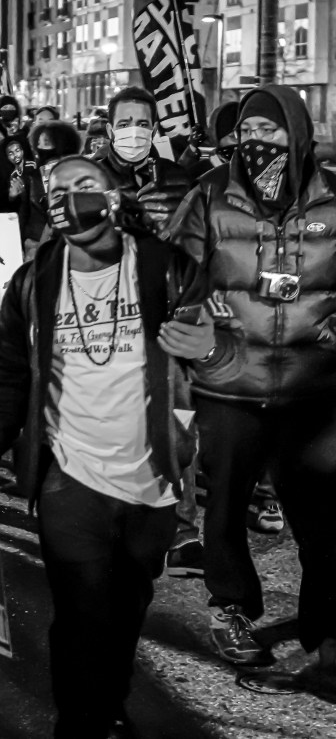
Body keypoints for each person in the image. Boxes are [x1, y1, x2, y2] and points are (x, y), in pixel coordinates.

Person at [0, 155, 238, 737]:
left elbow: (220, 362)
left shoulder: (167, 268)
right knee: (80, 609)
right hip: (69, 474)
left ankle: (112, 704)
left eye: (85, 185)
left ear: (114, 197)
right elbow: (10, 372)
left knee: (127, 605)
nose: (69, 198)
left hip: (152, 476)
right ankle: (78, 721)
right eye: (56, 189)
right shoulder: (33, 280)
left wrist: (210, 351)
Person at [165, 85, 336, 673]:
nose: (258, 142)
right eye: (249, 132)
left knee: (323, 518)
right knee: (226, 506)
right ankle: (231, 609)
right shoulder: (211, 195)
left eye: (271, 131)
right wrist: (203, 341)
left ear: (298, 132)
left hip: (314, 387)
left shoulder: (333, 197)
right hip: (230, 384)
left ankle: (326, 627)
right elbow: (177, 280)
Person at [91, 86, 191, 234]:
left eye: (142, 124)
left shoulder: (178, 176)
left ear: (154, 130)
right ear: (110, 131)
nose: (134, 132)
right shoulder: (92, 178)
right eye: (124, 125)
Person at [18, 120, 82, 256]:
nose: (39, 148)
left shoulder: (81, 173)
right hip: (36, 241)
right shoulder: (32, 177)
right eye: (38, 143)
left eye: (46, 143)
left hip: (71, 241)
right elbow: (24, 212)